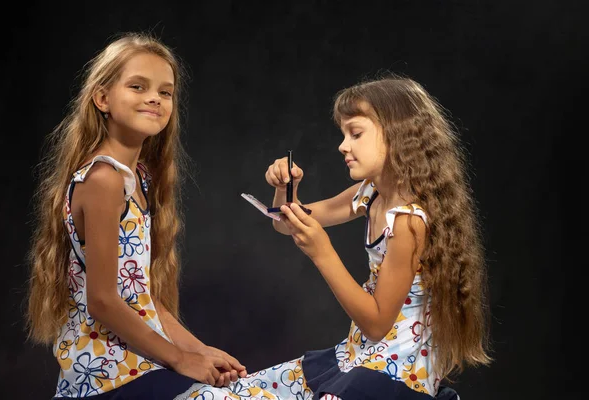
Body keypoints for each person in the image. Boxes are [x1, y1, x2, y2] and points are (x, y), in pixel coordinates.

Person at [231, 75, 493, 400]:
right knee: (240, 392)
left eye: (355, 133)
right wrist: (286, 191)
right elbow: (286, 223)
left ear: (399, 135)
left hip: (396, 372)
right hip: (359, 355)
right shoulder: (370, 193)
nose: (343, 145)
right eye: (343, 134)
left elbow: (377, 323)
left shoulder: (409, 221)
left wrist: (321, 252)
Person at [25, 32, 252, 399]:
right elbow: (102, 300)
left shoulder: (138, 178)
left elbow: (140, 297)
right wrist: (180, 359)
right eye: (137, 86)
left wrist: (198, 350)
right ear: (102, 98)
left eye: (165, 92)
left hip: (136, 361)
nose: (154, 98)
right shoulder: (104, 180)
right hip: (106, 373)